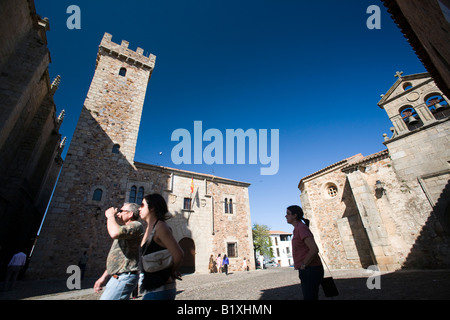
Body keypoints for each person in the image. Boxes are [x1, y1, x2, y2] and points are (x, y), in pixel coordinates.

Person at [94, 202, 144, 300]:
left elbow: (114, 233)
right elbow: (117, 258)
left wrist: (110, 216)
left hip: (124, 276)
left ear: (130, 214)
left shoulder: (136, 225)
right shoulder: (124, 231)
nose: (118, 214)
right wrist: (104, 277)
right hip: (117, 277)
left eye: (121, 211)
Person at [139, 193, 184, 300]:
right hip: (151, 289)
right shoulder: (149, 229)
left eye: (142, 205)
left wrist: (168, 273)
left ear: (152, 208)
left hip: (160, 291)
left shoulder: (160, 227)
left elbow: (179, 254)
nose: (139, 208)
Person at [286, 205, 324, 300]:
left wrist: (303, 264)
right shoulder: (297, 228)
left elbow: (314, 249)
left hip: (310, 269)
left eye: (288, 214)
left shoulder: (301, 228)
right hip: (308, 269)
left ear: (294, 215)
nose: (285, 216)